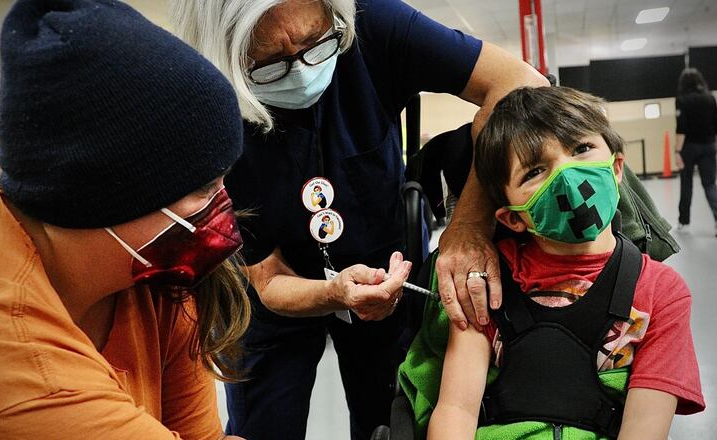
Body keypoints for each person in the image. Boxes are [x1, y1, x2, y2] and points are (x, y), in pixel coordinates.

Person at [170, 0, 548, 438]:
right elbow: (268, 280)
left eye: (318, 42)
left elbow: (520, 83)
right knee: (263, 425)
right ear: (229, 59)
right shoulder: (209, 105)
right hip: (273, 301)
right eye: (272, 63)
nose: (303, 70)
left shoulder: (372, 22)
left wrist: (468, 227)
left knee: (387, 420)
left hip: (386, 274)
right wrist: (333, 292)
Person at [0, 1, 249, 438]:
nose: (222, 205)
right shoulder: (23, 379)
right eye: (204, 188)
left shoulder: (152, 271)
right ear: (107, 198)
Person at [399, 87, 704, 440]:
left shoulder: (660, 293)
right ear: (513, 219)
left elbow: (644, 430)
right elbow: (456, 411)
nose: (568, 176)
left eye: (582, 149)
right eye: (534, 172)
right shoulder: (485, 281)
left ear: (616, 167)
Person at [674, 67, 717, 237]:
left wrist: (677, 152)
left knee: (686, 184)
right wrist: (716, 144)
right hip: (709, 146)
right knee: (710, 184)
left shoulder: (681, 100)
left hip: (689, 148)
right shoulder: (710, 98)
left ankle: (684, 222)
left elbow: (681, 129)